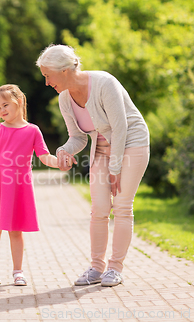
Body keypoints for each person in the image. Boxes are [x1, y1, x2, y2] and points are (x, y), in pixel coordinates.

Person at [36, 44, 150, 287]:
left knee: (121, 205)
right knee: (98, 208)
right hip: (102, 146)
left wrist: (115, 169)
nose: (46, 82)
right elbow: (78, 137)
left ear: (64, 70)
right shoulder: (65, 98)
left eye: (48, 76)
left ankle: (115, 269)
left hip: (132, 142)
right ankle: (96, 268)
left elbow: (120, 128)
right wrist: (63, 151)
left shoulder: (104, 83)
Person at [0, 84, 58, 286]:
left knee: (16, 230)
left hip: (18, 186)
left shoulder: (33, 131)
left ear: (19, 102)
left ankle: (18, 272)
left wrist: (59, 163)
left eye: (5, 105)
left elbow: (44, 157)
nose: (2, 111)